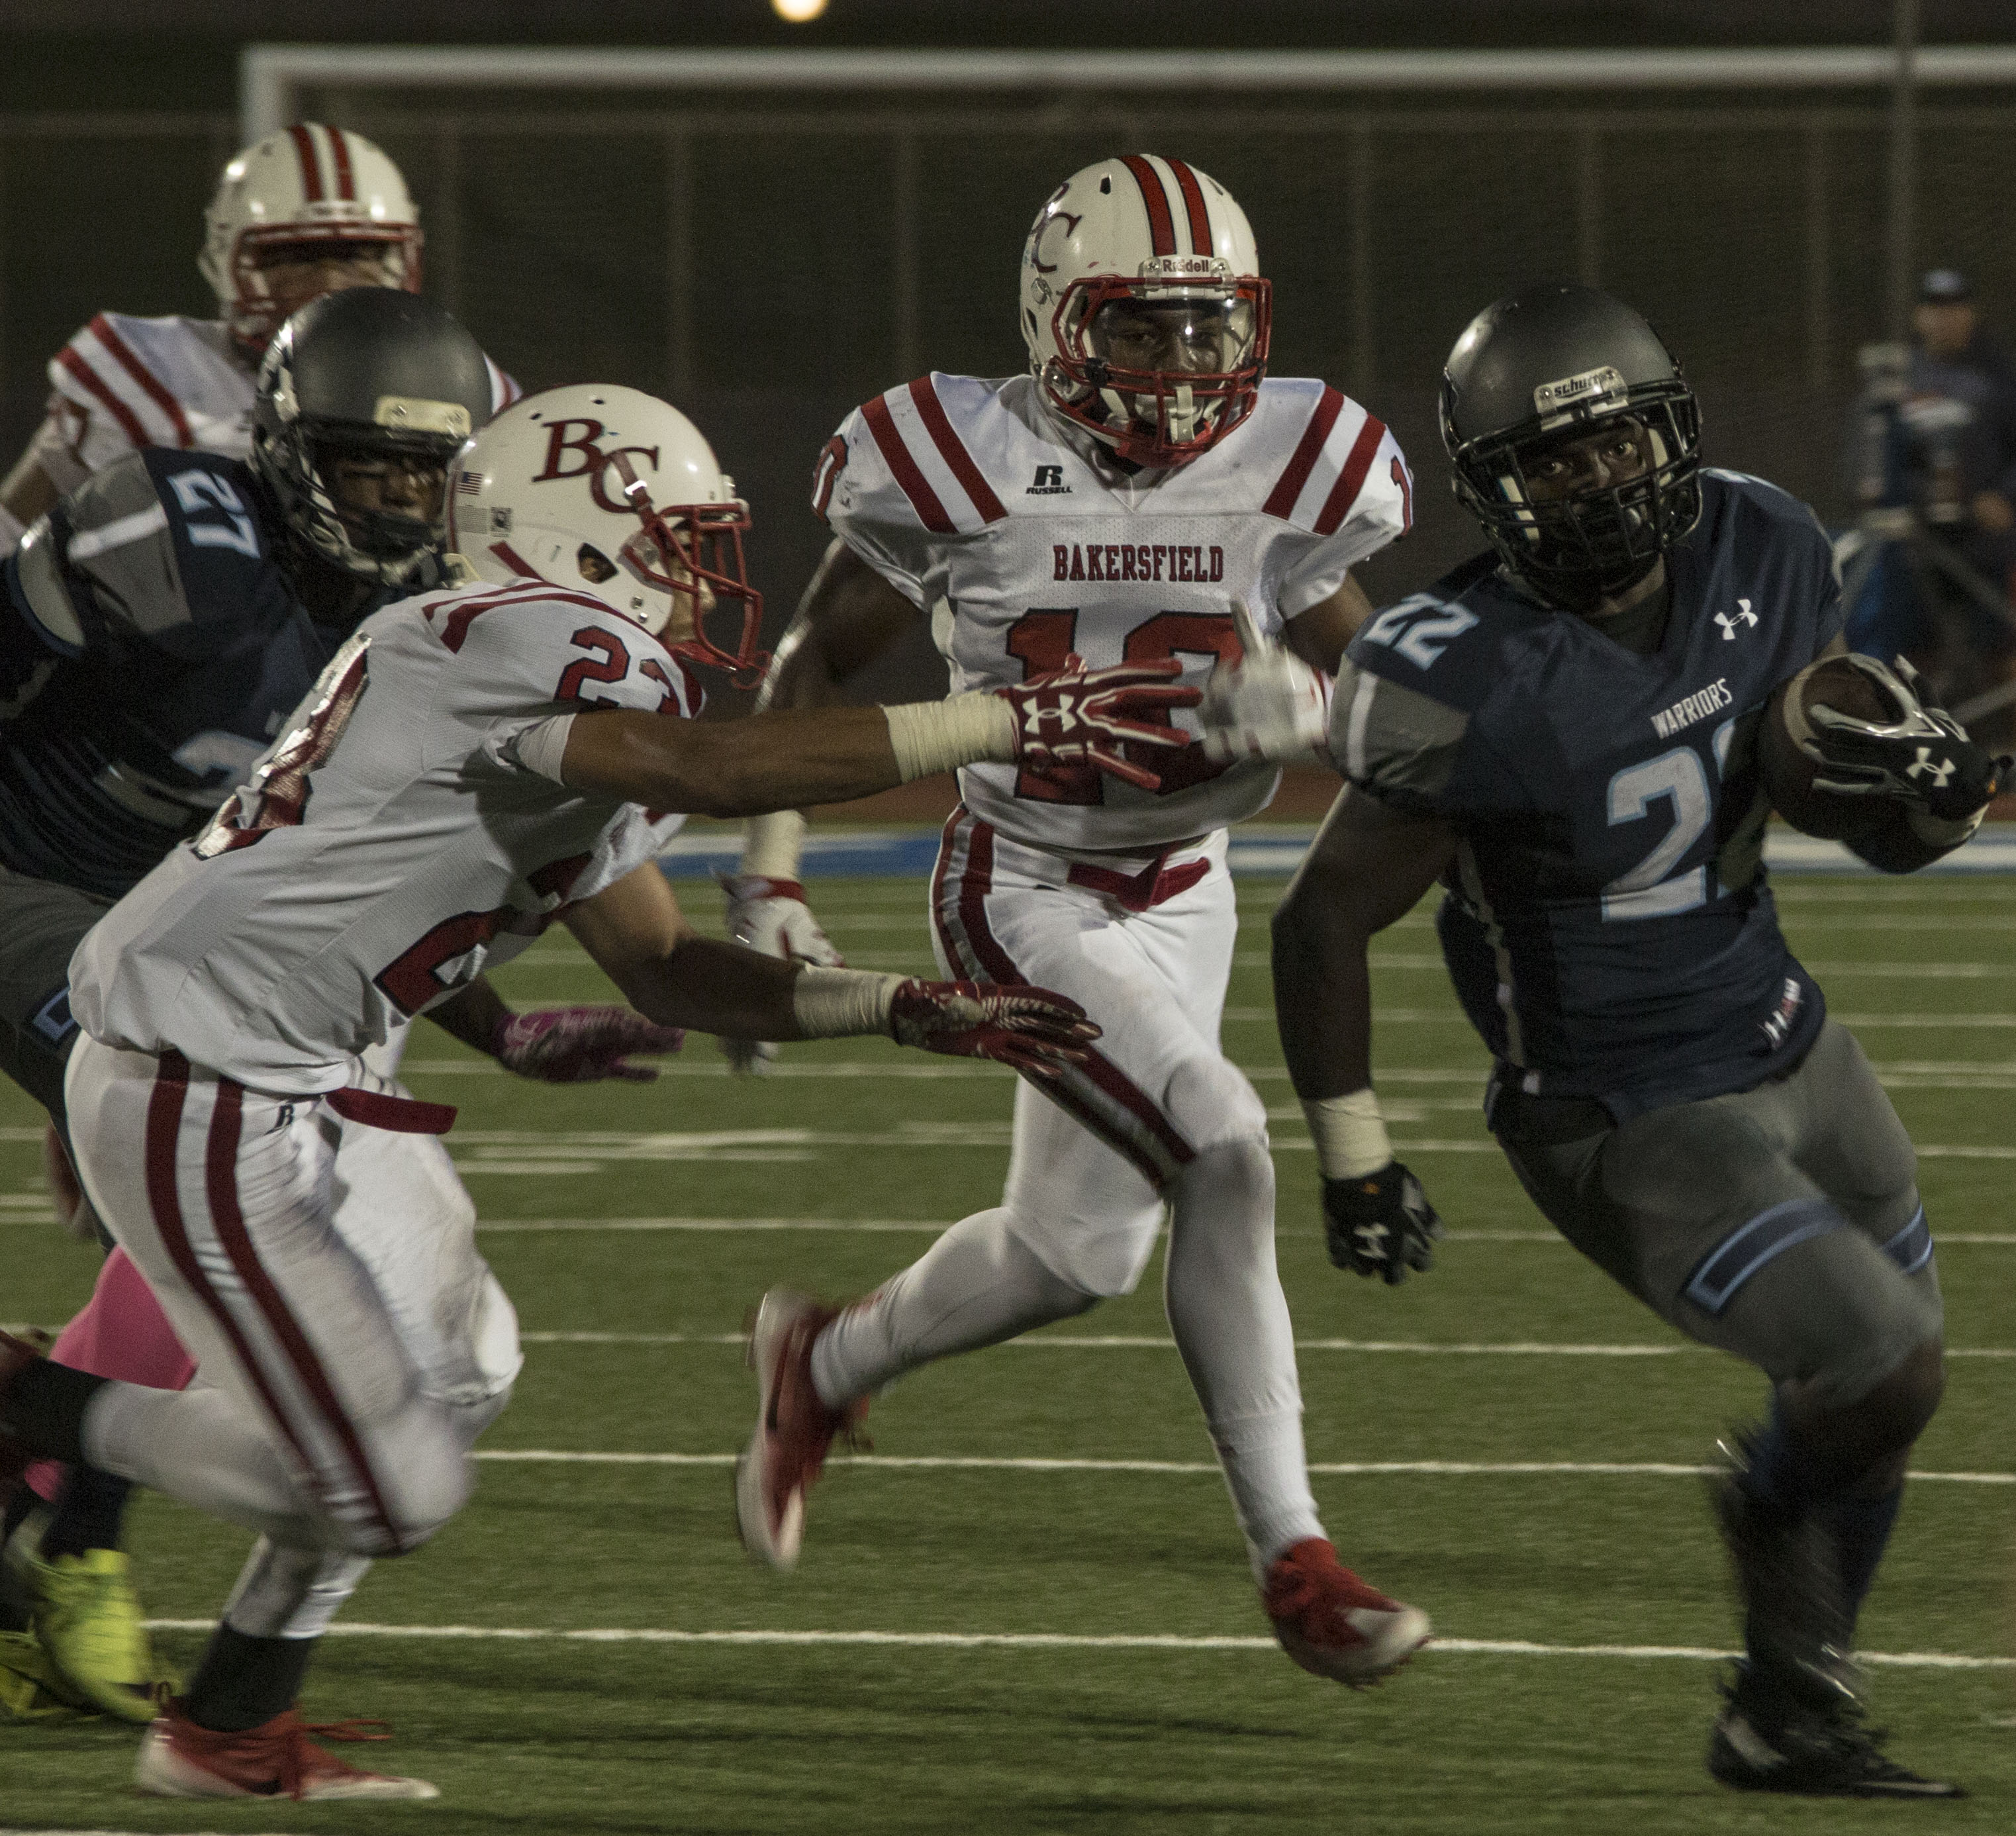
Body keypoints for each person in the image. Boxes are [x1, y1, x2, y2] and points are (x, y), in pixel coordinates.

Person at [0, 376, 1182, 1800]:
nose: (703, 577)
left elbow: (668, 967)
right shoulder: (521, 637)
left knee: (465, 1364)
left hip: (304, 1077)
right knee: (390, 1492)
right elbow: (712, 766)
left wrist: (899, 1008)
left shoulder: (553, 683)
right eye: (680, 539)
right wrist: (1001, 721)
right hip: (205, 1077)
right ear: (576, 538)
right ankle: (27, 1400)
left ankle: (230, 1722)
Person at [1265, 283, 2005, 1796]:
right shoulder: (1453, 666)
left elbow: (1821, 805)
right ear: (1490, 486)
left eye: (1614, 443)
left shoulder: (1766, 544)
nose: (1595, 480)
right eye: (1550, 461)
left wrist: (1920, 799)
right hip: (1625, 1109)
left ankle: (1787, 1711)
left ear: (1671, 430)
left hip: (1796, 1042)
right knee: (1883, 1368)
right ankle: (1760, 1518)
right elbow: (1323, 917)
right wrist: (1356, 1157)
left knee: (1877, 1396)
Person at [726, 154, 1431, 1687]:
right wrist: (767, 875)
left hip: (1187, 892)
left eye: (1206, 331)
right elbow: (811, 666)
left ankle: (822, 1360)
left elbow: (1390, 713)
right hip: (1022, 881)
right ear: (1057, 322)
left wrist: (1304, 700)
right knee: (1226, 1147)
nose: (1182, 371)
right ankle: (1296, 1559)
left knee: (1074, 1254)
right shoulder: (957, 456)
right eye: (1140, 331)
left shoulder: (1296, 462)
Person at [0, 289, 639, 1726]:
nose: (408, 503)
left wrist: (506, 1027)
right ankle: (74, 1543)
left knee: (232, 1159)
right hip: (36, 880)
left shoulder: (446, 622)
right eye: (371, 467)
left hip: (204, 924)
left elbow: (346, 914)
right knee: (202, 1139)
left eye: (434, 472)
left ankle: (48, 1536)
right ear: (290, 454)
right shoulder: (173, 541)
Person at [0, 123, 518, 556]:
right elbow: (12, 534)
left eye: (358, 253)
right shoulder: (147, 370)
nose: (332, 283)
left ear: (405, 259)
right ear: (223, 263)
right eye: (294, 258)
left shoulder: (463, 380)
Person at [1843, 267, 2016, 732]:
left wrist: (2004, 495)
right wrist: (1869, 483)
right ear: (1920, 316)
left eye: (1955, 308)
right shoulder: (1900, 377)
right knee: (1898, 627)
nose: (1945, 319)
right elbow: (1866, 450)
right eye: (1935, 309)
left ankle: (2000, 732)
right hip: (1911, 539)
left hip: (1980, 539)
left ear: (1970, 313)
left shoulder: (1997, 375)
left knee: (1995, 636)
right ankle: (1896, 723)